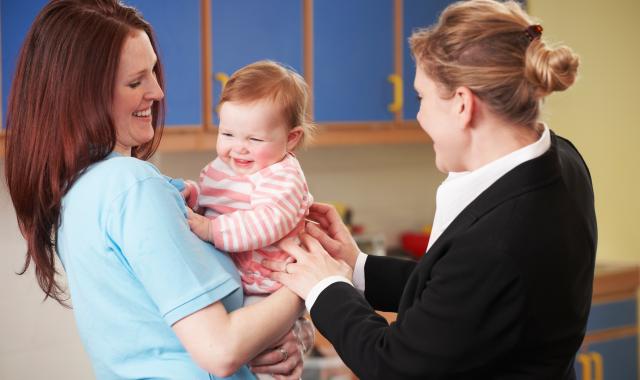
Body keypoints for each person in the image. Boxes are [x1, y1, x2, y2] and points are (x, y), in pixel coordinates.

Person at [265, 0, 597, 379]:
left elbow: (395, 365)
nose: (418, 115)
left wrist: (322, 287)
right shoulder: (559, 159)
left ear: (462, 105)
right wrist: (356, 267)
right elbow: (459, 296)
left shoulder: (500, 238)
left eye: (421, 97)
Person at [4, 1, 312, 379]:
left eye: (152, 72)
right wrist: (310, 283)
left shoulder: (78, 191)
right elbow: (221, 349)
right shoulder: (132, 187)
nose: (157, 91)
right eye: (136, 82)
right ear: (83, 95)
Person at [183, 60, 314, 298]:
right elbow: (210, 200)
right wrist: (192, 195)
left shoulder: (284, 177)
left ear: (292, 138)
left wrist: (212, 230)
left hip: (268, 288)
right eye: (228, 134)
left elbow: (267, 222)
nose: (238, 148)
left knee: (272, 336)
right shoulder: (222, 166)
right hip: (232, 280)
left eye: (254, 139)